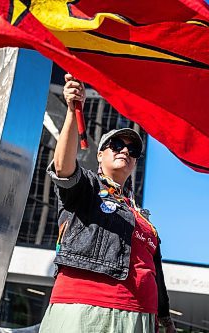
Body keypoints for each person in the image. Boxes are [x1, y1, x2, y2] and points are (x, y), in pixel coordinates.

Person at [39, 74, 177, 333]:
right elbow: (63, 168)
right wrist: (71, 111)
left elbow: (155, 272)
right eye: (116, 145)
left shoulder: (144, 218)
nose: (125, 151)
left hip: (140, 318)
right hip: (85, 309)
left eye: (132, 151)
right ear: (100, 155)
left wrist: (165, 318)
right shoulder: (87, 188)